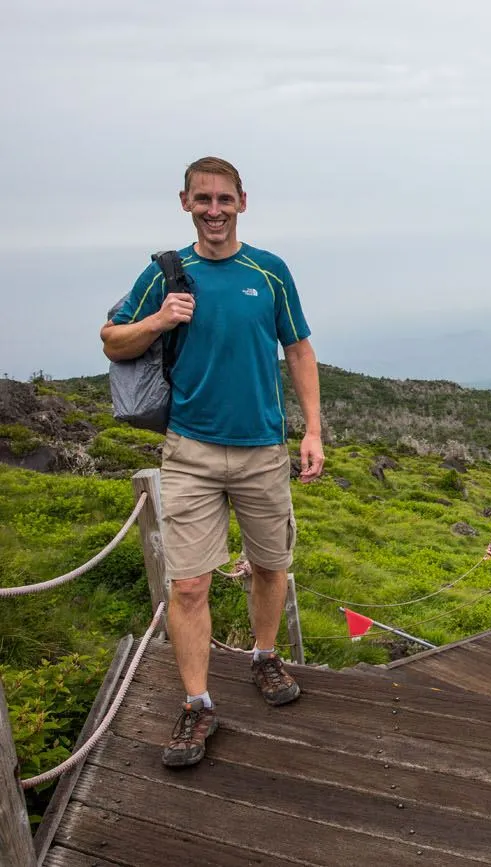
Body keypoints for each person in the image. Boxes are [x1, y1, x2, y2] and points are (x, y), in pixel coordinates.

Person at [100, 157, 323, 769]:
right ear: (185, 203)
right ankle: (197, 702)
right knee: (190, 582)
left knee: (271, 565)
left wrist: (313, 431)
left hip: (262, 448)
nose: (215, 209)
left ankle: (265, 656)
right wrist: (158, 318)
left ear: (242, 202)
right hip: (190, 451)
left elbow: (298, 349)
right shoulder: (166, 273)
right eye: (204, 199)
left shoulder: (270, 271)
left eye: (225, 198)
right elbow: (112, 339)